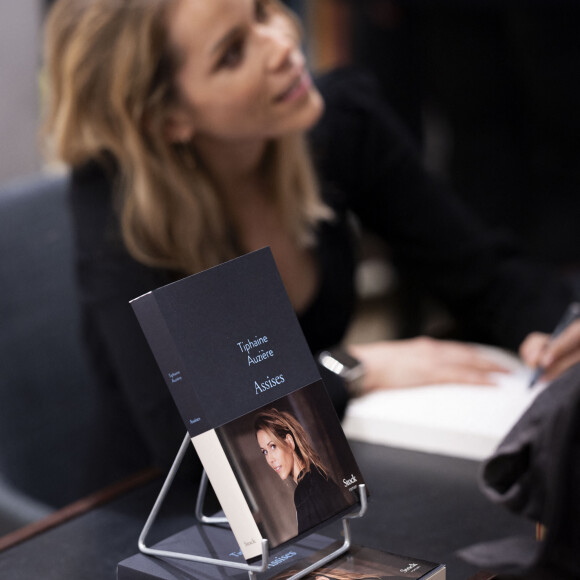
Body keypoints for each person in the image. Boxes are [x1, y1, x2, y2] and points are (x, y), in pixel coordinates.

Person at [43, 0, 580, 473]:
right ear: (167, 118)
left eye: (261, 10)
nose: (281, 43)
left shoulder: (341, 123)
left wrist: (559, 328)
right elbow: (193, 440)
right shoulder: (120, 207)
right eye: (233, 52)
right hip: (159, 519)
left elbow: (483, 276)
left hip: (316, 477)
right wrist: (351, 369)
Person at [255, 408, 346, 534]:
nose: (270, 459)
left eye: (273, 446)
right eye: (265, 451)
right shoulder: (319, 475)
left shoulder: (304, 492)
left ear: (289, 442)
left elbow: (315, 542)